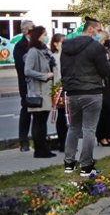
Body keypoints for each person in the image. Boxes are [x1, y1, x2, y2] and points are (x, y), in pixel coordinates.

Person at [60, 16, 110, 177]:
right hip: (91, 92)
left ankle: (69, 163)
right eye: (98, 30)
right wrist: (107, 61)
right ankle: (86, 166)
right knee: (89, 129)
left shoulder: (66, 45)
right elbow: (105, 70)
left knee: (73, 127)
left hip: (72, 92)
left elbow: (63, 69)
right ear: (90, 29)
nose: (99, 33)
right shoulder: (96, 47)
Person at [23, 25, 57, 159]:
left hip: (45, 91)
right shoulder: (33, 51)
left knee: (42, 122)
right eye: (44, 34)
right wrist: (44, 76)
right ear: (38, 36)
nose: (46, 37)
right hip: (38, 92)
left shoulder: (44, 50)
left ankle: (43, 149)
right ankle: (39, 150)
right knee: (38, 122)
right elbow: (27, 71)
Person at [13, 19, 35, 152]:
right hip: (27, 84)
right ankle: (23, 141)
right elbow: (21, 66)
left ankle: (39, 140)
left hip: (38, 83)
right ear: (25, 30)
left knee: (39, 112)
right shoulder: (20, 46)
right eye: (33, 28)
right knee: (26, 110)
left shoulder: (36, 43)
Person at [50, 33, 68, 152]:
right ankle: (62, 143)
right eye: (62, 42)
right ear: (56, 44)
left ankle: (67, 142)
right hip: (59, 88)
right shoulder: (55, 57)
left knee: (68, 116)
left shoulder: (65, 55)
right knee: (62, 115)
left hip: (67, 87)